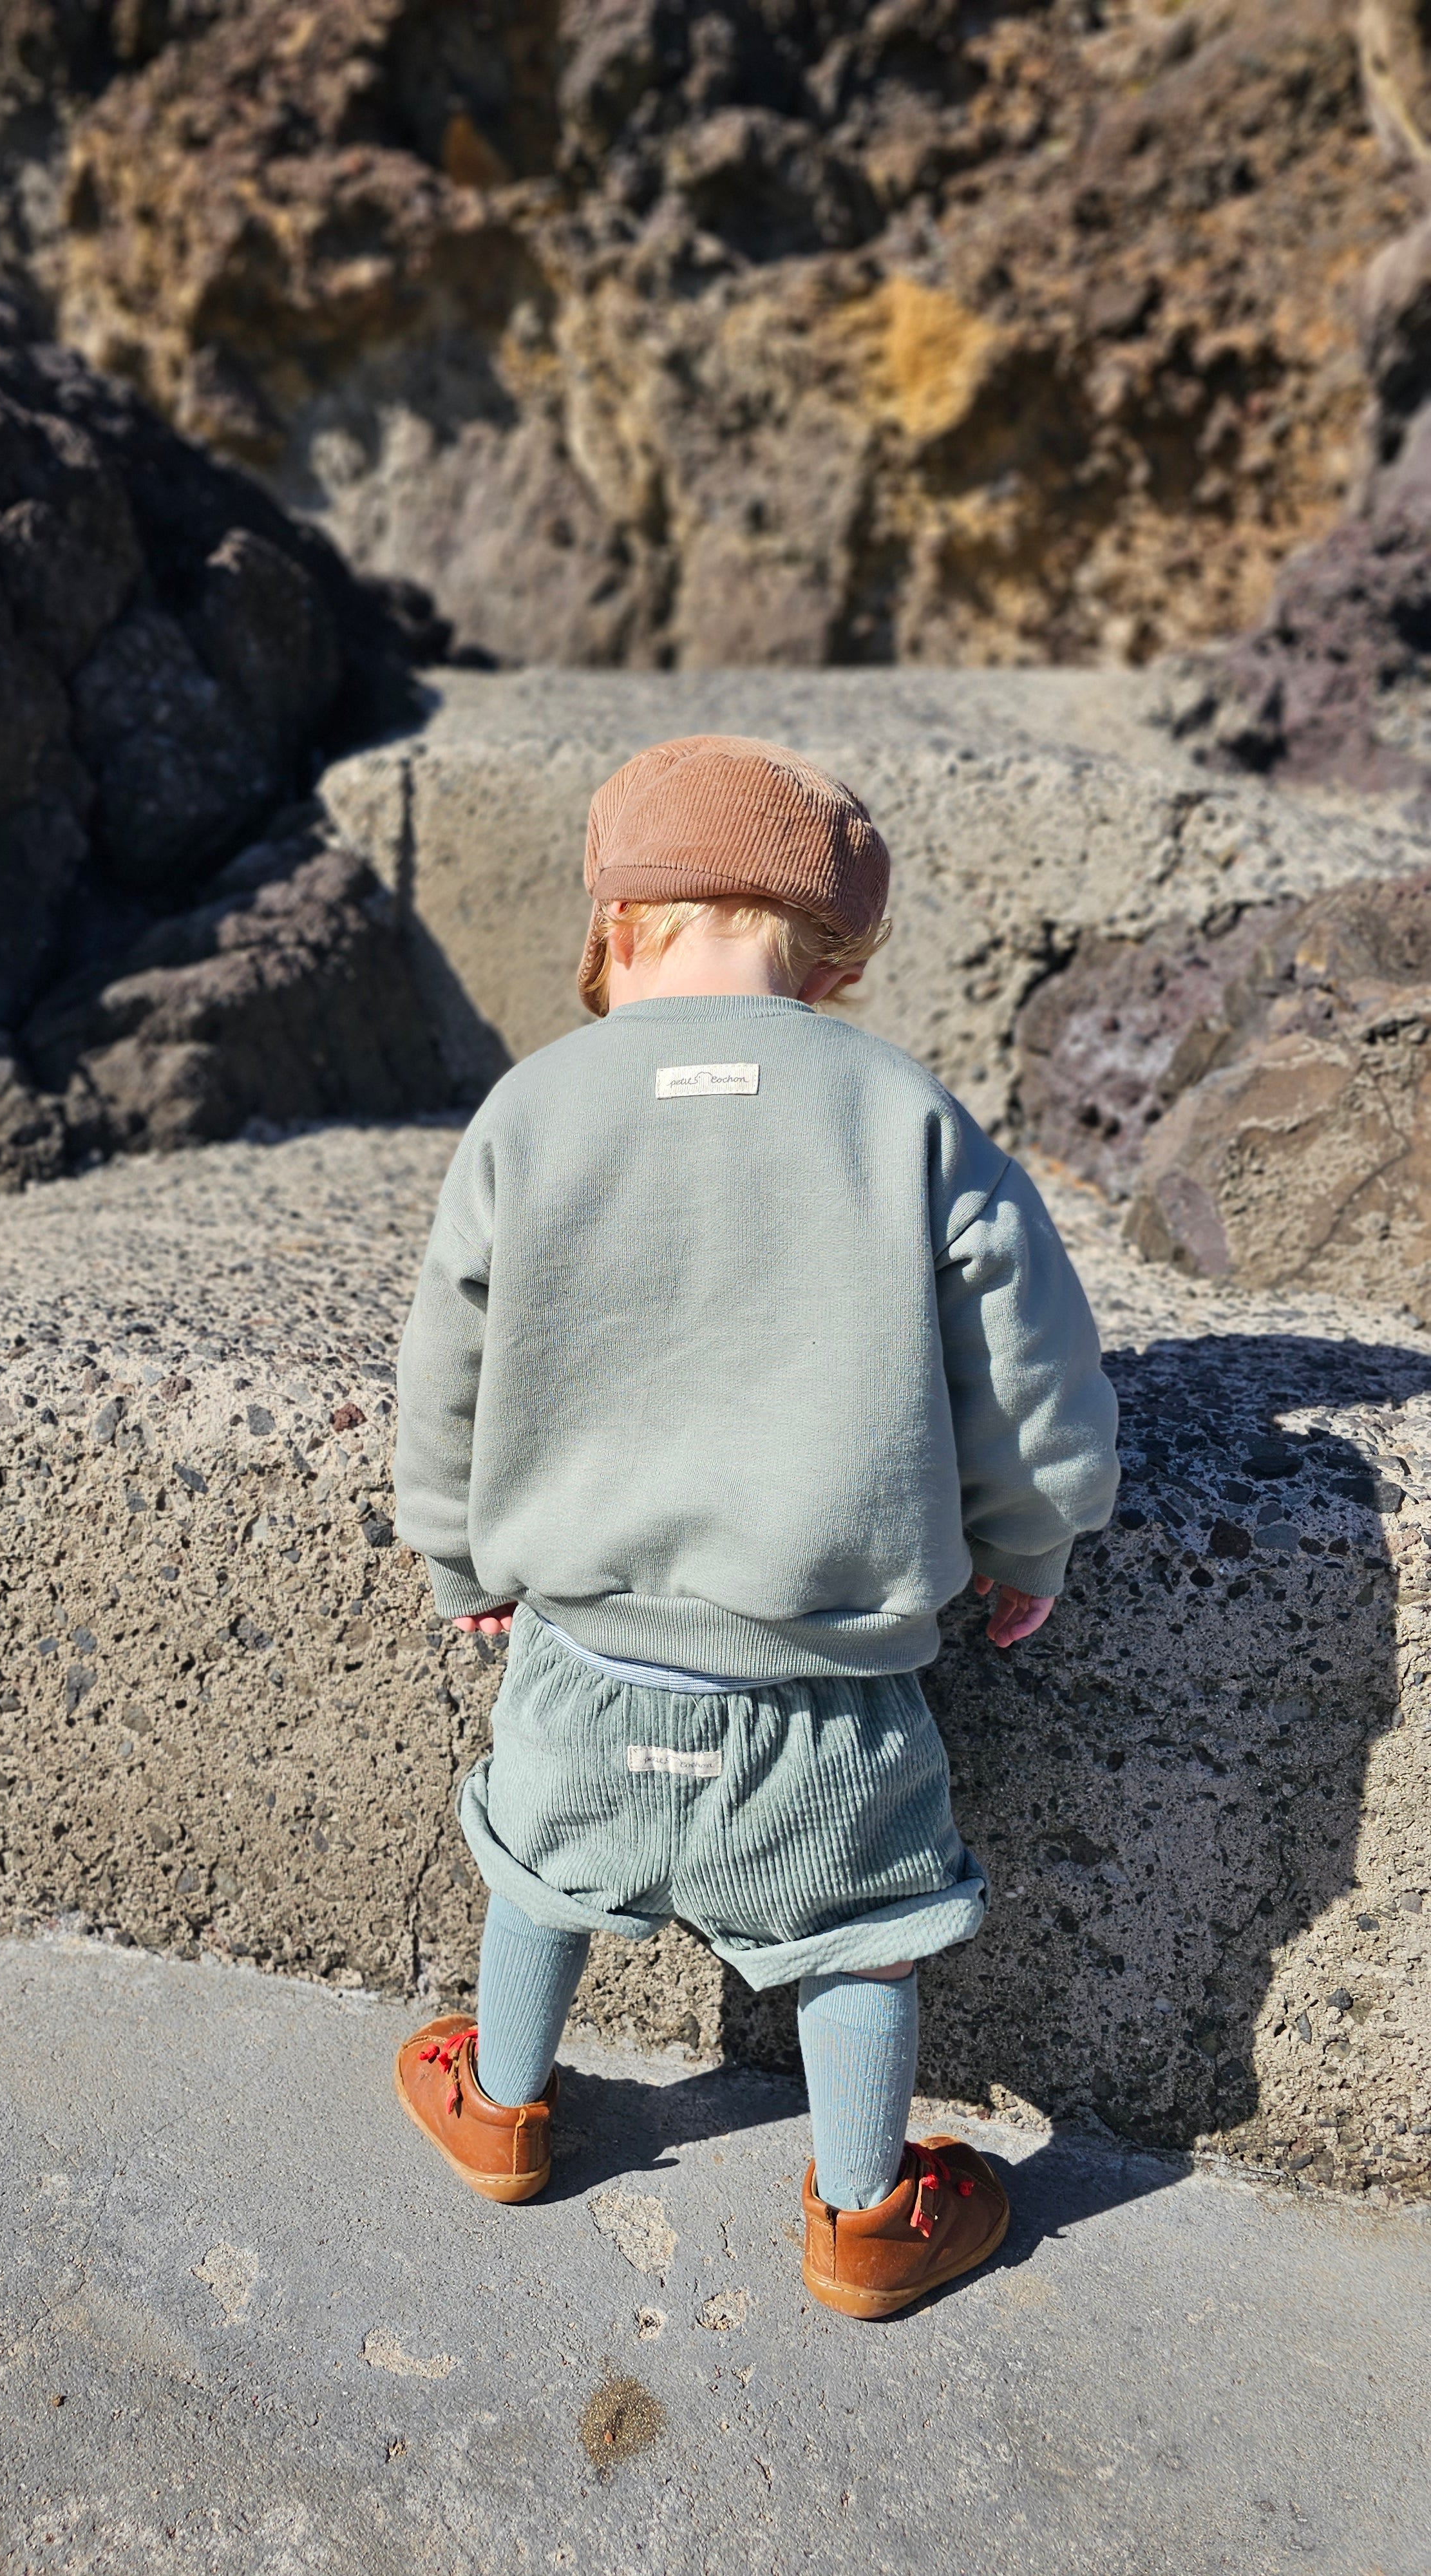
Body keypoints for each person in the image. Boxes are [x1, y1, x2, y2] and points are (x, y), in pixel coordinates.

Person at [388, 733, 1120, 2320]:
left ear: (615, 924)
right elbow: (1029, 1365)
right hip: (832, 1696)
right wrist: (1033, 1543)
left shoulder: (532, 1107)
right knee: (862, 1938)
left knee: (536, 1865)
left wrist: (464, 1557)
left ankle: (507, 2109)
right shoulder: (902, 1110)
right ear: (838, 954)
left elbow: (447, 1361)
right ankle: (864, 2214)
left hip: (583, 1659)